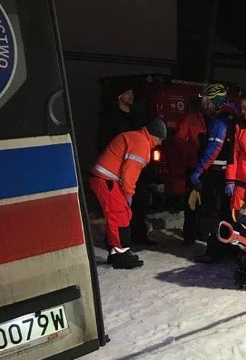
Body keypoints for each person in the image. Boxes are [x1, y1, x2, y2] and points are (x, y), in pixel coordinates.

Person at [89, 118, 167, 269]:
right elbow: (130, 172)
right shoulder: (142, 144)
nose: (159, 143)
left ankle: (116, 252)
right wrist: (128, 194)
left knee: (121, 214)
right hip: (107, 179)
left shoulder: (136, 137)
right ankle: (120, 254)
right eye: (160, 139)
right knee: (118, 214)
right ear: (153, 135)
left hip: (106, 178)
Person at [96, 85, 156, 246]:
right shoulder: (110, 118)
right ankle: (117, 243)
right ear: (118, 96)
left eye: (132, 92)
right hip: (116, 171)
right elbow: (103, 144)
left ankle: (138, 235)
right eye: (127, 92)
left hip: (135, 169)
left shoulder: (137, 117)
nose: (131, 95)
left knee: (138, 204)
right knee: (117, 209)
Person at [188, 84, 236, 262]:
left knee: (213, 214)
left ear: (216, 101)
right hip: (229, 175)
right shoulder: (232, 116)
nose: (204, 106)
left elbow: (214, 149)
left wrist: (198, 171)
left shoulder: (220, 121)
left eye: (206, 102)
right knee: (226, 213)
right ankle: (227, 248)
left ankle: (214, 252)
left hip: (218, 175)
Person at [174, 98, 209, 245]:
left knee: (206, 202)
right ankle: (189, 235)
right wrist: (190, 151)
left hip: (207, 167)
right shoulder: (191, 119)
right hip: (193, 165)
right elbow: (179, 139)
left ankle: (202, 232)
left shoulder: (215, 120)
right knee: (191, 203)